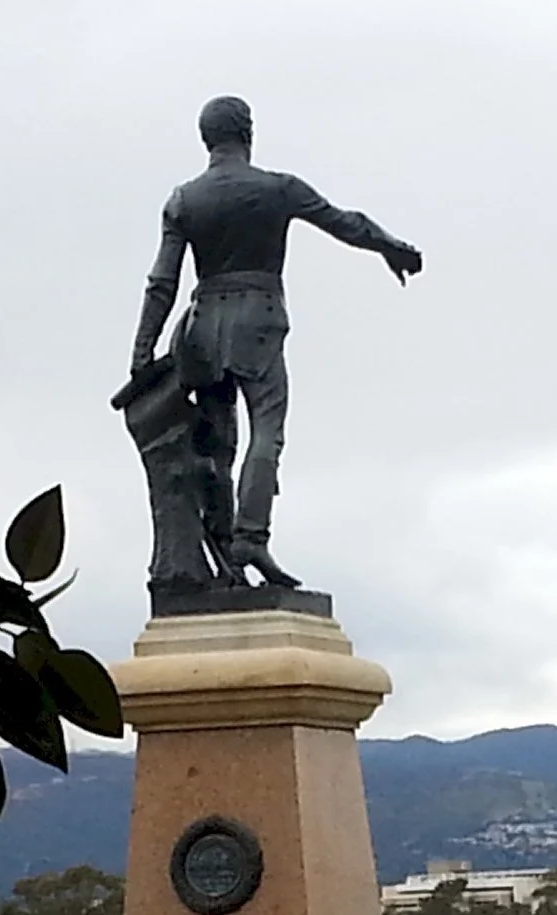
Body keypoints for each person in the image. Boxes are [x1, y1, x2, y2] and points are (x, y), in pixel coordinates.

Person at [129, 95, 422, 590]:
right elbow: (345, 223)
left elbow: (163, 282)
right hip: (259, 322)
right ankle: (250, 537)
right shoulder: (277, 189)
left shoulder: (183, 200)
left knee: (219, 444)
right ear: (248, 132)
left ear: (206, 139)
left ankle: (225, 551)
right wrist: (390, 247)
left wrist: (142, 350)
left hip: (202, 327)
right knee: (266, 430)